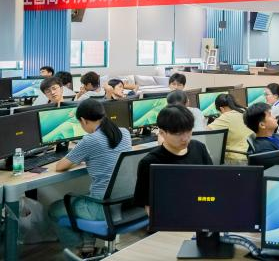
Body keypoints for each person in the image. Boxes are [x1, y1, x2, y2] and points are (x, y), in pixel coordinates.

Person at [48, 99, 131, 255]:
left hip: (103, 207)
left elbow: (60, 166)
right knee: (84, 198)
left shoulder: (90, 140)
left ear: (84, 120)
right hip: (125, 202)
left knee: (54, 209)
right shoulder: (124, 133)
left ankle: (76, 250)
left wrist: (79, 158)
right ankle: (88, 249)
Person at [134, 104, 213, 214]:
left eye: (188, 131)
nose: (185, 138)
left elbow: (211, 183)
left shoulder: (199, 148)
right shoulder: (150, 162)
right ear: (162, 133)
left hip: (201, 209)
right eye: (178, 134)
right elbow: (149, 205)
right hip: (172, 214)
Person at [208, 94, 253, 163]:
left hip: (236, 158)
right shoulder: (246, 110)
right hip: (251, 154)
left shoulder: (226, 116)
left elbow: (205, 132)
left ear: (221, 109)